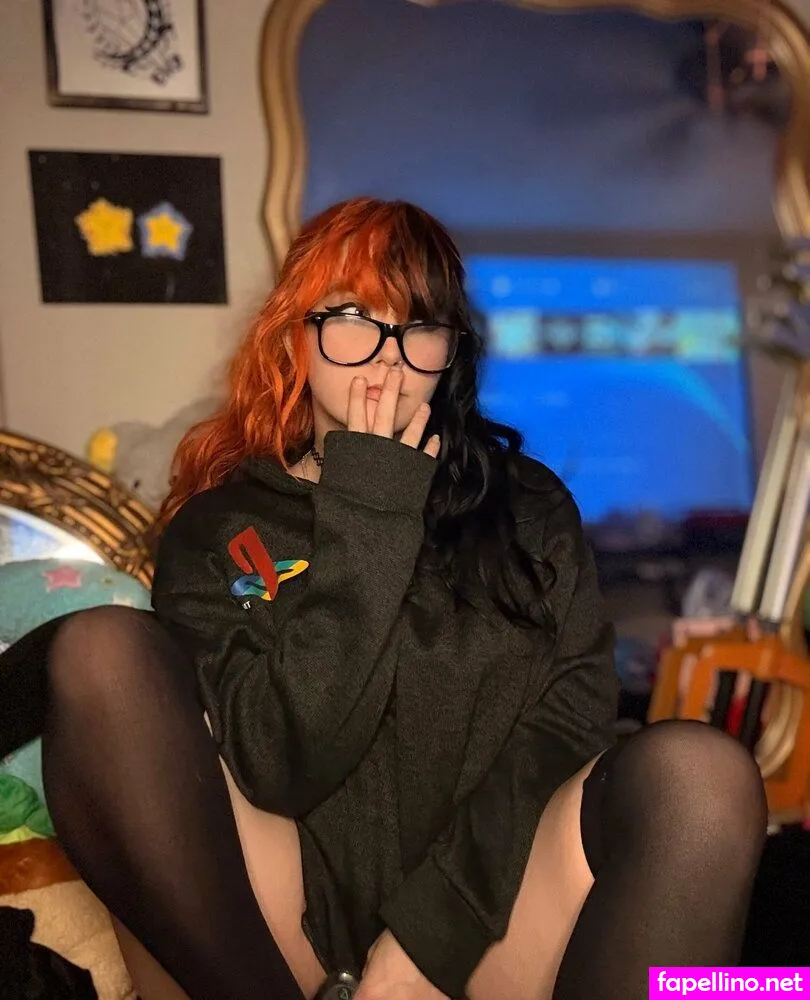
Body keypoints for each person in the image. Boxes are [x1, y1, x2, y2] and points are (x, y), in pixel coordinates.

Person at [0, 197, 767, 1000]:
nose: (386, 359)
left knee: (702, 775)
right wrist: (370, 507)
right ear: (295, 334)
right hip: (279, 936)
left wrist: (427, 943)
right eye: (352, 318)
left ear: (451, 351)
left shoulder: (529, 507)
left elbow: (568, 727)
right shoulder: (219, 529)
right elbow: (279, 767)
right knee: (100, 648)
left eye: (418, 325)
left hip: (489, 924)